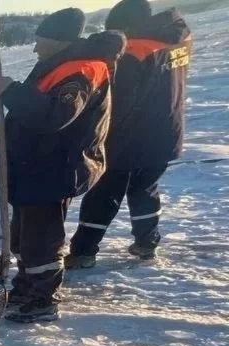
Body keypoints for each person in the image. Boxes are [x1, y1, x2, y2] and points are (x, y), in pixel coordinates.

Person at [0, 9, 125, 323]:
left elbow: (54, 116)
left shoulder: (81, 72)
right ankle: (27, 287)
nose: (35, 48)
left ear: (58, 41)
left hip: (52, 170)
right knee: (23, 237)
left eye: (40, 41)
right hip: (35, 167)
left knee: (41, 241)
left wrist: (11, 91)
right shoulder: (62, 65)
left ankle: (42, 300)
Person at [65, 0, 191, 266]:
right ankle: (147, 244)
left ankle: (83, 252)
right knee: (145, 188)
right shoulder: (176, 38)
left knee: (104, 191)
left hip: (130, 135)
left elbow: (119, 99)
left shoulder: (134, 51)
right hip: (166, 131)